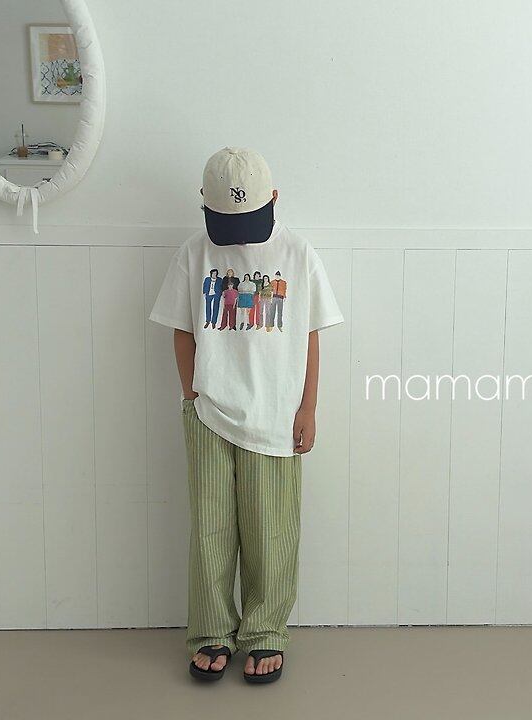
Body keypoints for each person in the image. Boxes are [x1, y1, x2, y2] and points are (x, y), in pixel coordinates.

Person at [149, 147, 344, 685]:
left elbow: (309, 335)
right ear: (204, 205)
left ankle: (264, 633)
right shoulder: (195, 254)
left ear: (274, 200)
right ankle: (211, 630)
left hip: (275, 415)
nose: (237, 238)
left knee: (270, 533)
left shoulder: (298, 255)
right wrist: (193, 397)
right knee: (210, 531)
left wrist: (308, 406)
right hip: (209, 413)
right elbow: (182, 330)